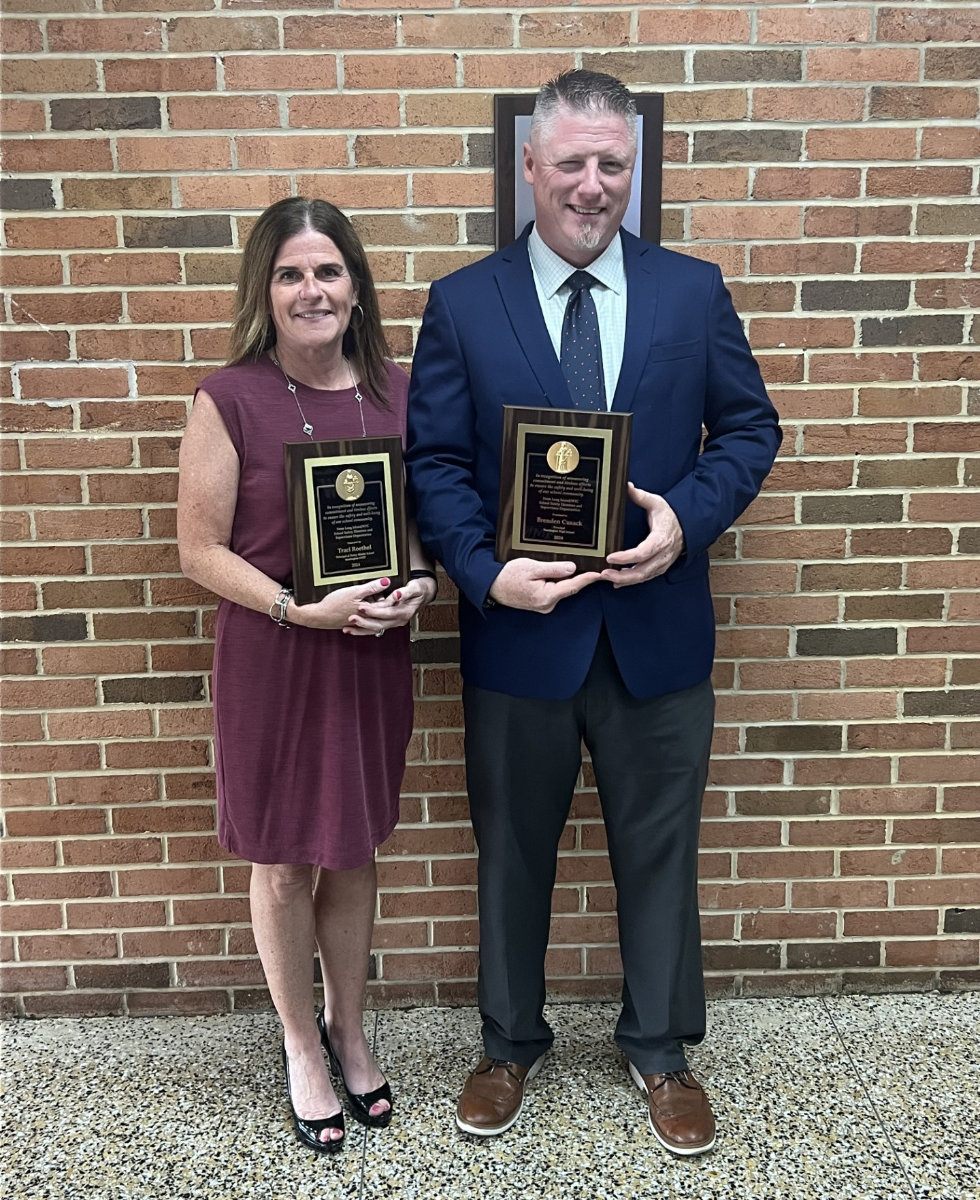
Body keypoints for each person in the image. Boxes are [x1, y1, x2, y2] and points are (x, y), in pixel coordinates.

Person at [405, 70, 781, 1155]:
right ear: (528, 167)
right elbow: (433, 460)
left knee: (659, 848)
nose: (589, 184)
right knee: (510, 848)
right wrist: (481, 573)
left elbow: (748, 432)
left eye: (610, 163)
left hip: (654, 632)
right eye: (568, 161)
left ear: (634, 168)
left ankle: (659, 1051)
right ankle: (506, 1043)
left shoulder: (689, 292)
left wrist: (686, 526)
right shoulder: (463, 303)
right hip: (518, 634)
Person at [177, 197, 438, 1153]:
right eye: (291, 273)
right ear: (266, 292)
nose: (312, 289)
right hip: (276, 653)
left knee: (355, 847)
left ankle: (349, 1027)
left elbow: (420, 523)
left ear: (358, 288)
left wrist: (417, 578)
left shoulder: (403, 393)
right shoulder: (227, 398)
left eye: (328, 270)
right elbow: (197, 550)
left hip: (369, 655)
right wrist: (296, 606)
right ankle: (299, 1043)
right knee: (284, 858)